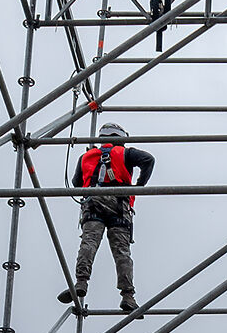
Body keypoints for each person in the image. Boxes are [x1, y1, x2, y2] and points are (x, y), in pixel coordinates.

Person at [58, 123, 155, 315]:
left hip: (93, 203)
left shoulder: (87, 156)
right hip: (119, 205)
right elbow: (148, 160)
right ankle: (128, 296)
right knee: (122, 252)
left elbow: (77, 183)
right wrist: (138, 185)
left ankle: (81, 283)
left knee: (88, 244)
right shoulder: (125, 153)